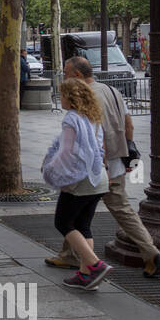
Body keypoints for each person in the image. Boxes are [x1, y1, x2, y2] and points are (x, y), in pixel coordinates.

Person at [45, 57, 160, 278]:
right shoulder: (112, 90)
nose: (64, 77)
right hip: (115, 161)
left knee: (81, 213)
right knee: (90, 214)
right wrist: (128, 153)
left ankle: (150, 252)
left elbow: (87, 139)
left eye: (66, 72)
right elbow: (128, 123)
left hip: (96, 166)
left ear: (78, 76)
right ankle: (71, 256)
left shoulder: (85, 96)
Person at [41, 78, 113, 291]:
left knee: (63, 223)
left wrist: (50, 169)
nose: (60, 98)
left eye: (62, 95)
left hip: (80, 181)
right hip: (98, 178)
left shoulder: (71, 119)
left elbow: (67, 153)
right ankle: (85, 275)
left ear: (71, 98)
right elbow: (99, 148)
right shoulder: (92, 117)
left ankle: (95, 265)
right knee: (83, 225)